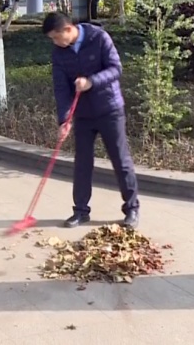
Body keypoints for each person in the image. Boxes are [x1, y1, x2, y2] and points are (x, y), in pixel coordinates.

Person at [42, 12, 140, 228]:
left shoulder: (99, 37)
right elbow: (61, 89)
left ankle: (131, 209)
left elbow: (116, 69)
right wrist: (64, 120)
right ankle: (80, 211)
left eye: (57, 37)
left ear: (68, 29)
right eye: (52, 39)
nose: (56, 42)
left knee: (120, 161)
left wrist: (91, 82)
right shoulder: (59, 53)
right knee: (82, 164)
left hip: (110, 109)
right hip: (83, 114)